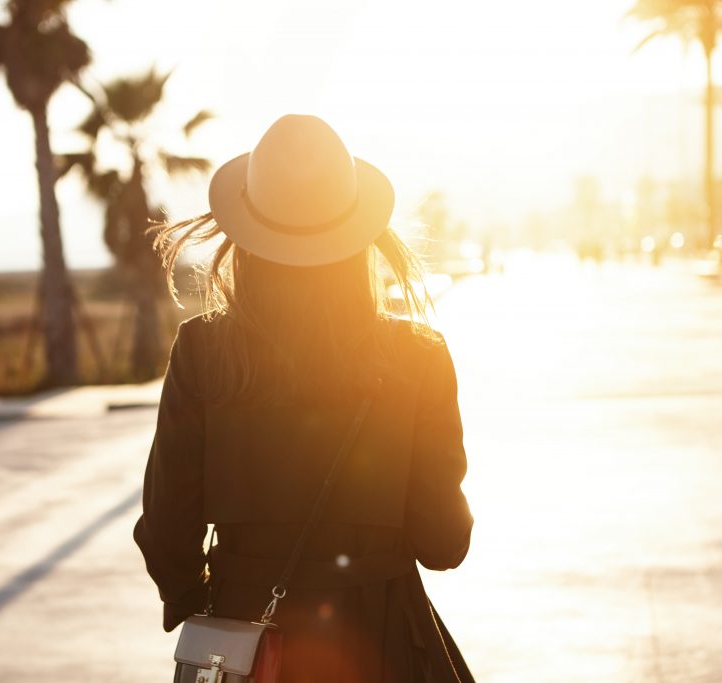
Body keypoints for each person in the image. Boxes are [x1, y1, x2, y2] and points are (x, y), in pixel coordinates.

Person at [133, 114, 475, 682]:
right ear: (358, 234)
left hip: (247, 644)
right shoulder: (417, 354)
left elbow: (167, 526)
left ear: (246, 235)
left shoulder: (203, 349)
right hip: (382, 641)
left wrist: (209, 602)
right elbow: (444, 542)